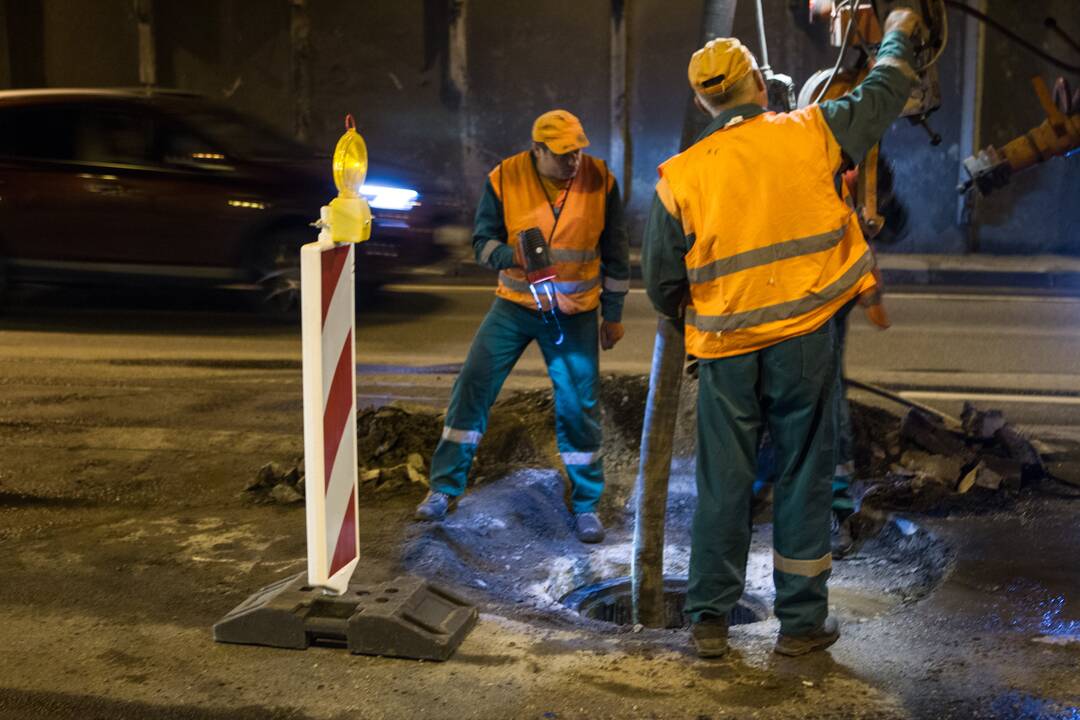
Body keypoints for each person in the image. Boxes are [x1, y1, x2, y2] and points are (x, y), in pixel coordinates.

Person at [641, 10, 921, 657]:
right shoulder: (809, 132)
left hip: (726, 351)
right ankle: (800, 626)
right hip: (802, 340)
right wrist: (901, 29)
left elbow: (660, 282)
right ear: (759, 87)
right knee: (802, 475)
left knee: (723, 483)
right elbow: (883, 95)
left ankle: (709, 621)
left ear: (703, 99)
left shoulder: (683, 175)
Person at [415, 109, 630, 543]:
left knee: (578, 405)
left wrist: (614, 313)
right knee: (473, 385)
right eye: (564, 155)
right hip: (515, 304)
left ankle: (586, 504)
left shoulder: (600, 179)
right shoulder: (503, 178)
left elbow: (616, 251)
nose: (574, 163)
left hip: (573, 313)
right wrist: (513, 257)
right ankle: (443, 488)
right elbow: (481, 242)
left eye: (578, 152)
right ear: (538, 150)